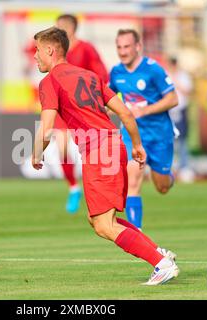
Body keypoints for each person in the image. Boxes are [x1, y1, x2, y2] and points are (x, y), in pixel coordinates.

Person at [31, 26, 179, 285]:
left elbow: (46, 126)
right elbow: (125, 113)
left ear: (50, 50)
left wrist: (36, 153)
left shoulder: (50, 82)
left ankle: (160, 263)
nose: (35, 56)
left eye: (37, 50)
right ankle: (157, 252)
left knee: (103, 225)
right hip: (115, 145)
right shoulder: (90, 76)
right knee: (98, 219)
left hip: (98, 151)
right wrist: (136, 145)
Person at [109, 29, 179, 230]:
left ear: (138, 47)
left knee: (162, 187)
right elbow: (108, 99)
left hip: (159, 135)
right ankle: (136, 234)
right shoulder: (116, 72)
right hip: (133, 134)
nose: (123, 52)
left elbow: (173, 99)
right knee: (133, 179)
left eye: (127, 47)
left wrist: (144, 110)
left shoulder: (153, 69)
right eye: (119, 47)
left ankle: (168, 176)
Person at [51, 14, 110, 214]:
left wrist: (97, 96)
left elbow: (101, 74)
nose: (58, 31)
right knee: (62, 147)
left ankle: (96, 190)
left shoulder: (86, 48)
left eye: (62, 27)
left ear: (72, 29)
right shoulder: (56, 51)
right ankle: (74, 188)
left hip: (84, 109)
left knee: (91, 151)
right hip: (63, 107)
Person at [167, 56, 195, 183]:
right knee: (169, 140)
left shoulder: (183, 76)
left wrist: (176, 81)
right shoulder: (165, 76)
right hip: (168, 111)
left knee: (183, 139)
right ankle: (169, 166)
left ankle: (184, 167)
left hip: (181, 109)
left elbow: (187, 91)